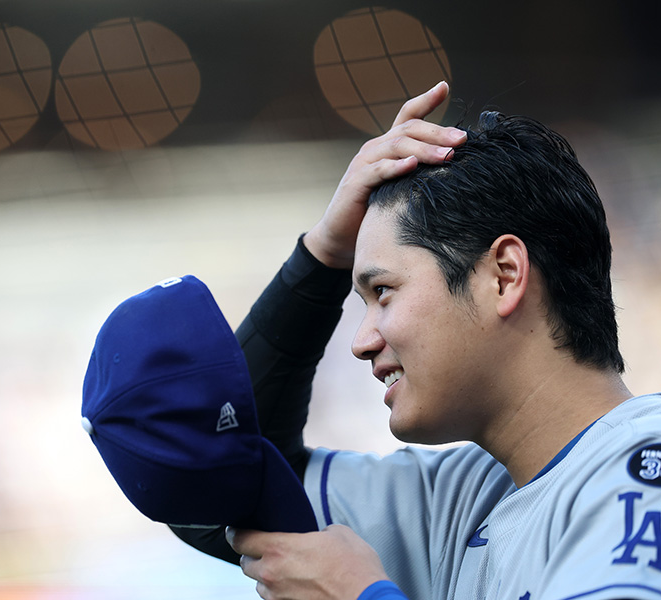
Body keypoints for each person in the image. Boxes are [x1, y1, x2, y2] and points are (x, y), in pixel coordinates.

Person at [172, 81, 661, 599]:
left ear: (504, 274)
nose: (361, 341)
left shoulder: (640, 472)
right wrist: (321, 256)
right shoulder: (459, 495)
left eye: (383, 291)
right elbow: (211, 486)